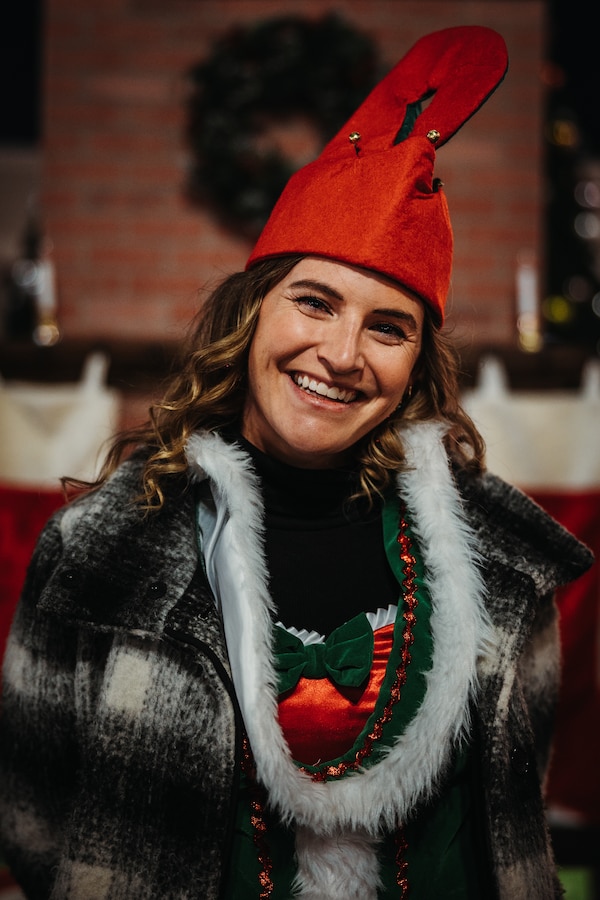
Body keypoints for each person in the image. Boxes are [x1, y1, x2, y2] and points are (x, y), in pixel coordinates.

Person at [0, 25, 593, 900]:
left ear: (416, 365)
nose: (343, 353)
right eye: (314, 302)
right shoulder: (101, 549)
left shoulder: (503, 571)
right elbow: (32, 816)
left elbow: (514, 809)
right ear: (250, 319)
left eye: (388, 327)